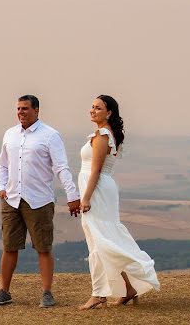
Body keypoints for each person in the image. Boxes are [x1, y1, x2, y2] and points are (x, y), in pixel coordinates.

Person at [0, 94, 81, 308]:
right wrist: (0, 187)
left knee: (43, 247)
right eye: (18, 109)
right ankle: (3, 292)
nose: (21, 112)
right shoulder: (10, 134)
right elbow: (2, 164)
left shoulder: (50, 135)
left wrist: (72, 195)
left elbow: (61, 167)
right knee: (9, 246)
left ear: (37, 110)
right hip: (11, 199)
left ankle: (47, 293)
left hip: (39, 200)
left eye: (25, 108)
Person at [77, 94, 159, 309]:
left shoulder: (103, 135)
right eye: (92, 106)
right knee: (103, 240)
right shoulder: (102, 134)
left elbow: (95, 170)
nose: (92, 110)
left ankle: (98, 294)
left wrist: (85, 197)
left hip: (97, 192)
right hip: (100, 189)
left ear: (109, 112)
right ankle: (128, 288)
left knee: (97, 242)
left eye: (97, 108)